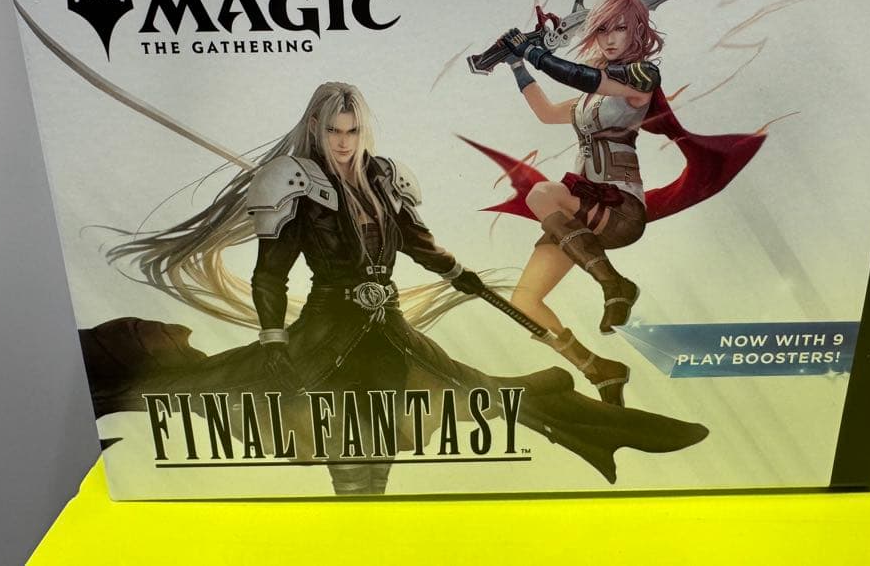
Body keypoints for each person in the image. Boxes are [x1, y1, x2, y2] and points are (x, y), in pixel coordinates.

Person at [89, 81, 708, 494]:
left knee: (468, 394)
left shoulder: (385, 178)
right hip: (326, 328)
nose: (343, 142)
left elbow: (416, 241)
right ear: (316, 128)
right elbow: (270, 273)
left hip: (385, 326)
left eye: (351, 131)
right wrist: (274, 337)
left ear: (363, 131)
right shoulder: (291, 181)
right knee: (333, 427)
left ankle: (606, 428)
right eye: (333, 131)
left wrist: (459, 275)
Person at [499, 0, 665, 406]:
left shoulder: (641, 77)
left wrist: (533, 52)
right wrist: (516, 64)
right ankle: (598, 368)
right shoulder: (591, 98)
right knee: (524, 301)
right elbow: (546, 113)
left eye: (620, 28)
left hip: (619, 209)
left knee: (541, 193)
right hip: (577, 215)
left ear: (637, 31)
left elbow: (582, 76)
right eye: (602, 30)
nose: (610, 39)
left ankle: (614, 284)